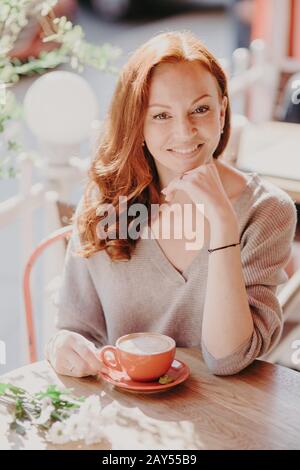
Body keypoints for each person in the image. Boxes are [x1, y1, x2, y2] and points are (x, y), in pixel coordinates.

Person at [46, 31, 297, 378]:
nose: (184, 132)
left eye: (200, 109)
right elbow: (75, 329)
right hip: (125, 411)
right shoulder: (106, 200)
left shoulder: (267, 211)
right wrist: (61, 347)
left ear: (222, 112)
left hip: (227, 420)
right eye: (162, 115)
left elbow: (229, 359)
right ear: (138, 122)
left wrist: (223, 221)